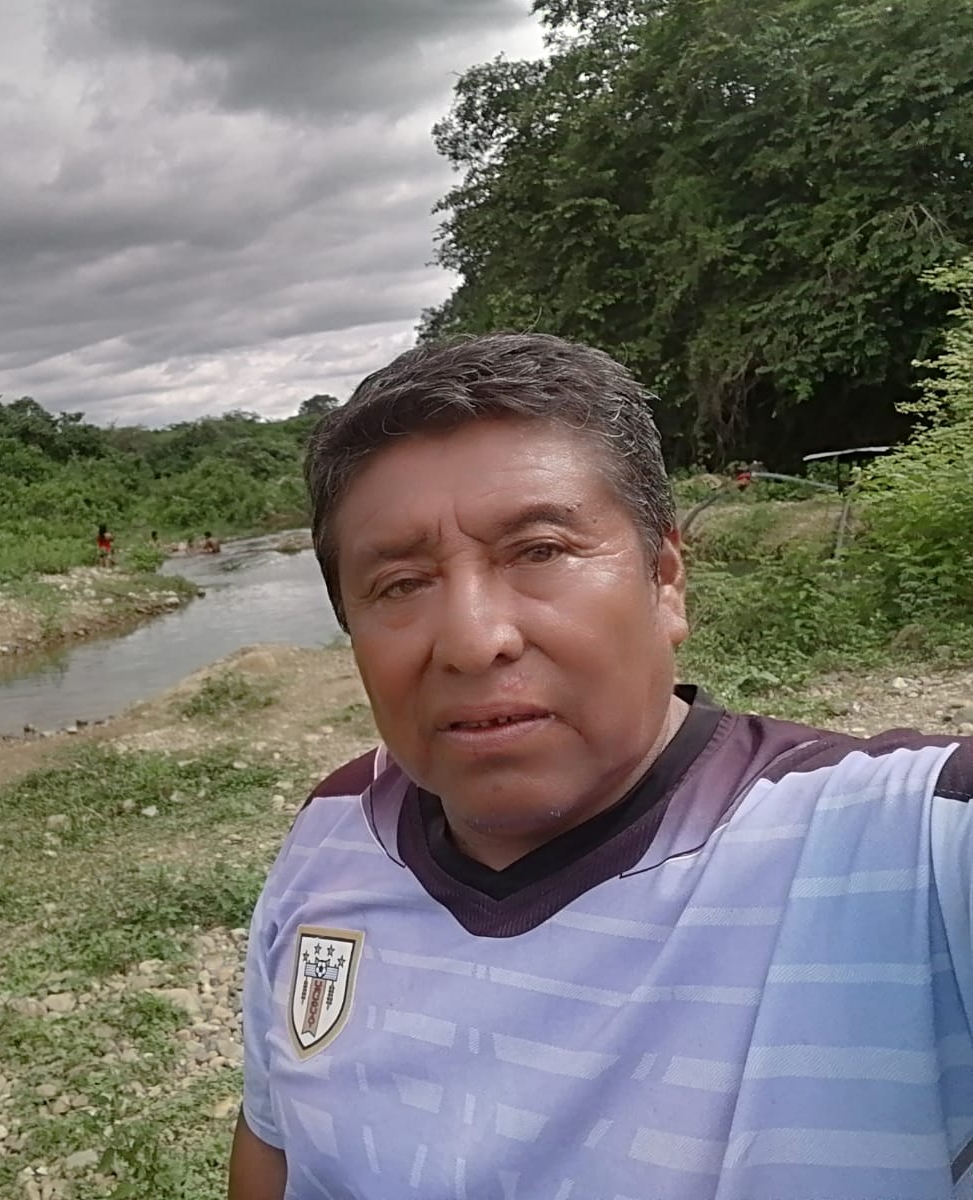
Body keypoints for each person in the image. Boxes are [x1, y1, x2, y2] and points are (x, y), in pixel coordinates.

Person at [229, 333, 973, 1200]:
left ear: (665, 580)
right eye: (400, 583)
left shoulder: (904, 851)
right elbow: (274, 1149)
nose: (472, 640)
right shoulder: (334, 832)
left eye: (539, 551)